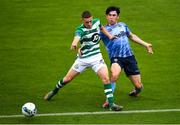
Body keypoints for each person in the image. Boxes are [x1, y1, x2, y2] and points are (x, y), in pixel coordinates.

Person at [44, 10, 123, 111]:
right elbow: (76, 38)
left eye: (90, 21)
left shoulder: (97, 22)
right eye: (87, 22)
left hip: (96, 58)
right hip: (83, 59)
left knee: (106, 79)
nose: (89, 24)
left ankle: (111, 105)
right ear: (82, 21)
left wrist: (109, 36)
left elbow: (101, 28)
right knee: (67, 79)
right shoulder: (80, 30)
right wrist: (74, 44)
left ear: (92, 18)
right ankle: (54, 91)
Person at [100, 6, 153, 108]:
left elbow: (132, 36)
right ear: (106, 16)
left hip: (129, 57)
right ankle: (109, 100)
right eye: (109, 15)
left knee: (139, 86)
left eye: (114, 15)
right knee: (114, 75)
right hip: (116, 58)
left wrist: (146, 44)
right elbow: (93, 41)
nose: (111, 17)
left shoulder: (123, 26)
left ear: (118, 17)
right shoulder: (103, 31)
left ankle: (136, 91)